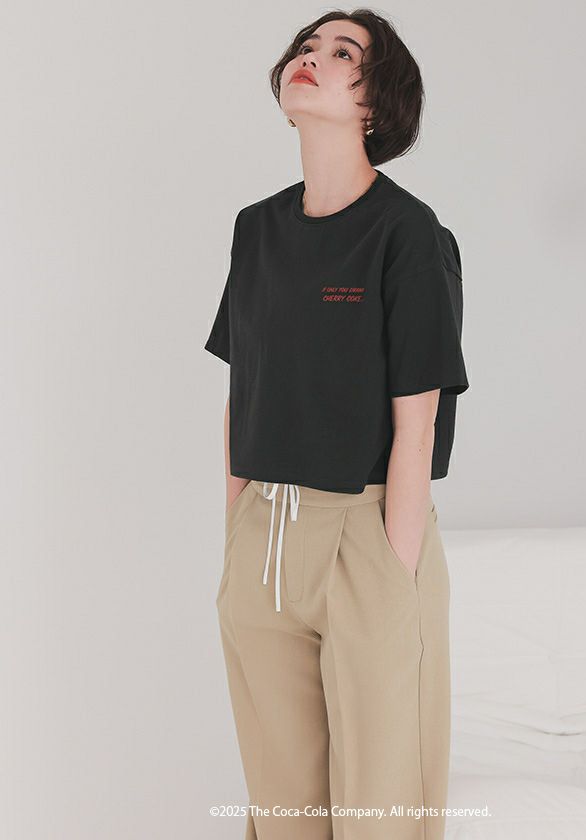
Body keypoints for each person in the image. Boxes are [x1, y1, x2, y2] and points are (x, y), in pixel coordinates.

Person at [204, 10, 469, 839]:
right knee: (282, 810)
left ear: (376, 101)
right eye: (306, 46)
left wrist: (393, 565)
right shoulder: (256, 228)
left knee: (379, 810)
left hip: (367, 536)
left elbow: (417, 422)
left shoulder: (407, 233)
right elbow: (243, 383)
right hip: (263, 540)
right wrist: (237, 526)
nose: (312, 58)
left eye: (342, 51)